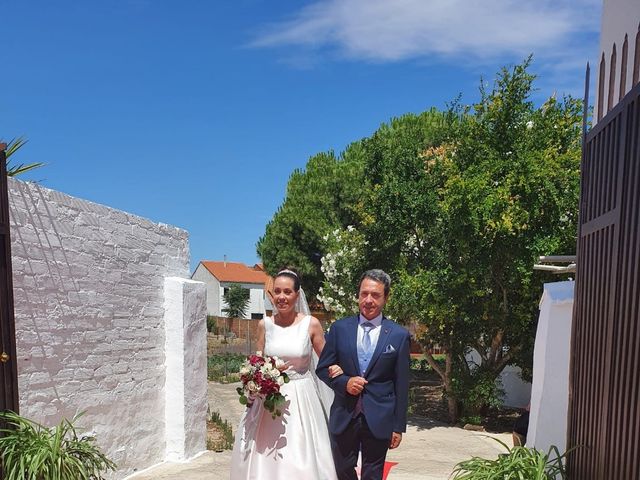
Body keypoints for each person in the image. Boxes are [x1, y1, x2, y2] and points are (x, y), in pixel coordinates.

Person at [230, 269, 340, 480]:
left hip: (302, 398)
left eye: (287, 292)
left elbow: (327, 361)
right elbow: (257, 361)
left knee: (300, 452)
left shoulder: (311, 324)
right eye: (277, 291)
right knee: (266, 454)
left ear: (297, 295)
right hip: (269, 400)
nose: (282, 297)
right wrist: (253, 381)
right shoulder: (265, 325)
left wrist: (340, 371)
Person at [316, 269, 411, 480]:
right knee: (342, 471)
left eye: (375, 295)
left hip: (379, 417)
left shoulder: (399, 335)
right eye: (364, 294)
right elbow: (323, 368)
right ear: (358, 295)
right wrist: (344, 382)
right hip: (344, 415)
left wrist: (398, 426)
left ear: (386, 297)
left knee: (373, 474)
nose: (368, 300)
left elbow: (402, 384)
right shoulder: (340, 329)